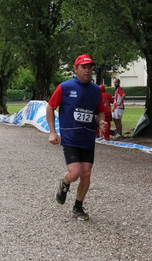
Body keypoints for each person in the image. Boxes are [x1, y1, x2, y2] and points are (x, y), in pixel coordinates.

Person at [46, 54, 107, 221]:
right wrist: (53, 132)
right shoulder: (65, 87)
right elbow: (50, 107)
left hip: (88, 138)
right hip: (71, 136)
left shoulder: (96, 90)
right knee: (74, 173)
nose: (87, 71)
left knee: (86, 174)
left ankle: (78, 207)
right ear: (76, 69)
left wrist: (101, 122)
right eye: (83, 67)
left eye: (90, 67)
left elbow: (100, 110)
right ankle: (64, 183)